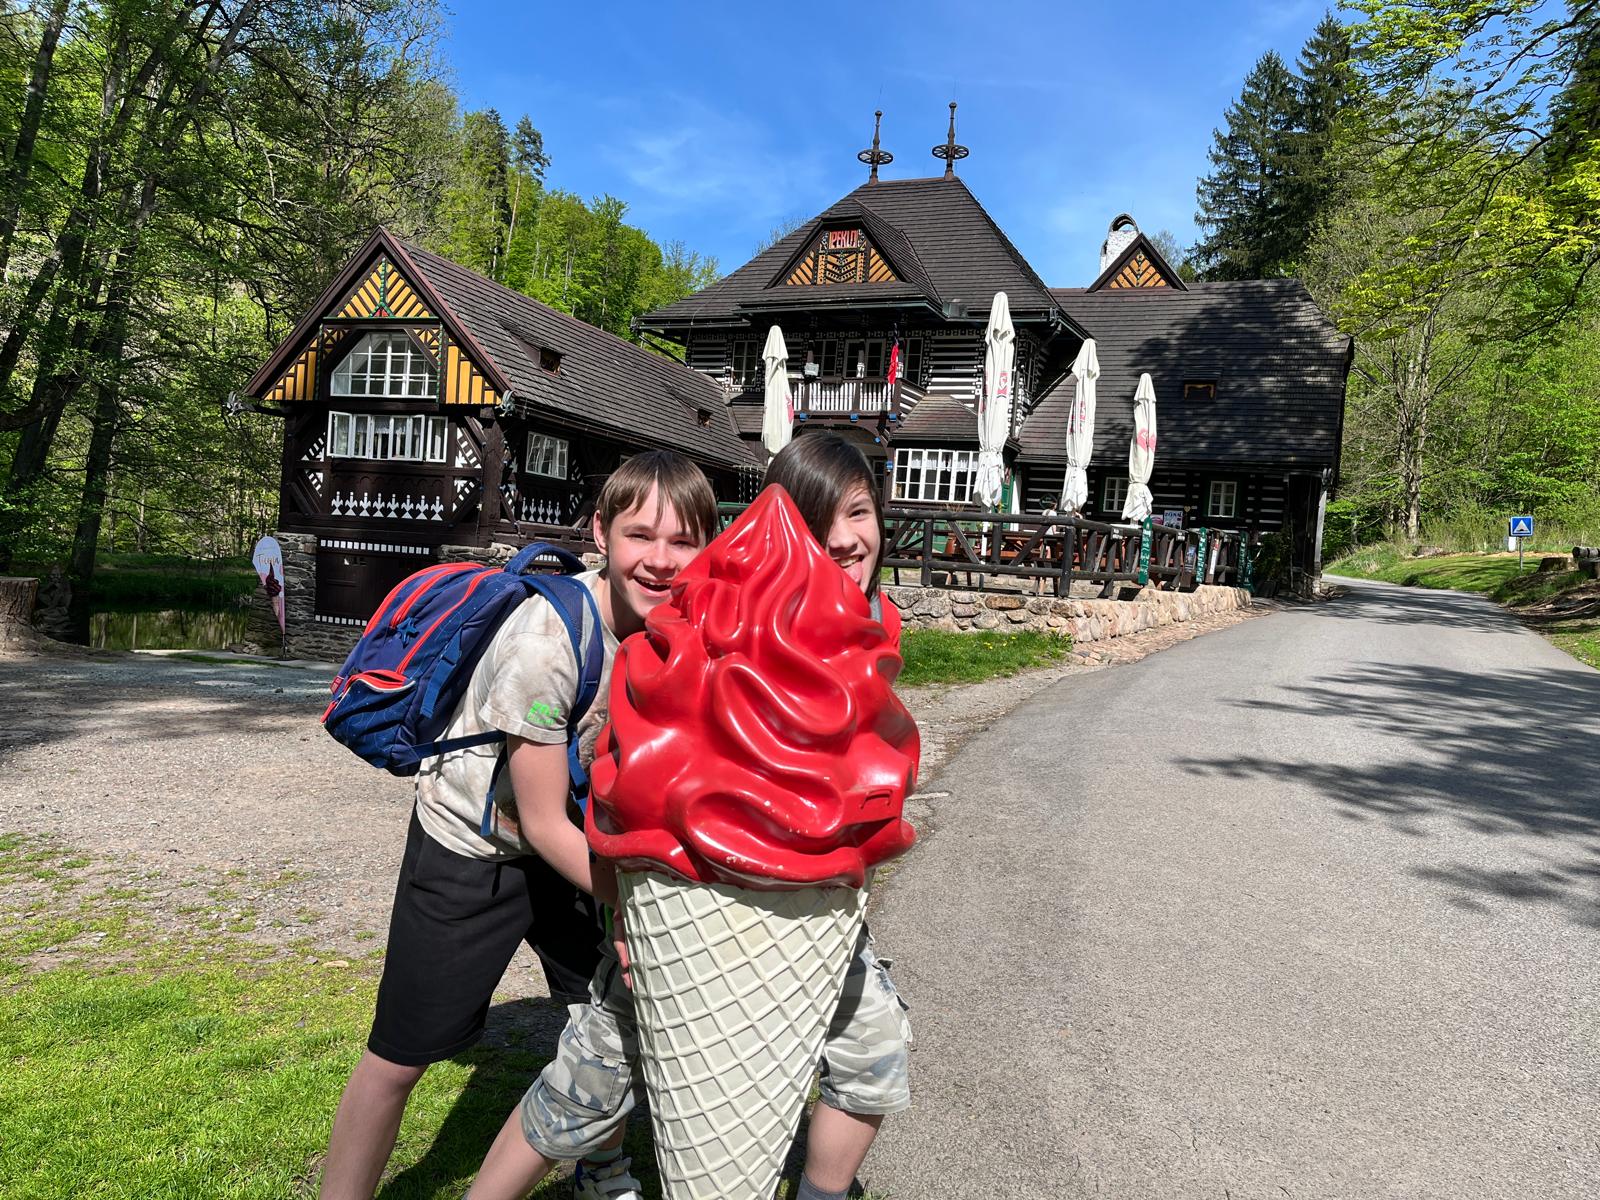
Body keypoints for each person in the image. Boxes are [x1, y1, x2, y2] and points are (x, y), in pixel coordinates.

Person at [467, 431, 913, 1200]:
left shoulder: (872, 623)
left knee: (874, 1048)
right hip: (689, 892)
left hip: (814, 906)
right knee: (598, 1067)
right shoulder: (714, 621)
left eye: (860, 512)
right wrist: (627, 907)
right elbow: (635, 774)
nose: (845, 539)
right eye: (821, 520)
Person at [317, 450, 721, 1200]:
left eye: (683, 541)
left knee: (608, 1020)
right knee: (401, 1055)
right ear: (601, 534)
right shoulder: (546, 645)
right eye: (640, 535)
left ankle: (599, 1169)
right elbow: (535, 819)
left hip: (571, 844)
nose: (661, 560)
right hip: (473, 849)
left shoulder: (683, 630)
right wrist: (645, 904)